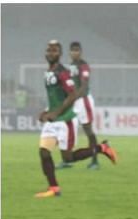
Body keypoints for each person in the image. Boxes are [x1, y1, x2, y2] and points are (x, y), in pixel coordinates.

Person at [36, 40, 116, 198]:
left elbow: (72, 94)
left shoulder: (63, 72)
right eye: (48, 50)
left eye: (54, 51)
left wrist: (56, 113)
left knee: (68, 158)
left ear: (59, 54)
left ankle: (102, 148)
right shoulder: (49, 72)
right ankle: (54, 188)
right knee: (44, 152)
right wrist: (46, 112)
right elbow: (55, 97)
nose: (50, 53)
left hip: (65, 120)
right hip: (53, 120)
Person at [61, 41, 100, 170]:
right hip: (74, 100)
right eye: (72, 50)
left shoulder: (84, 66)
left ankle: (95, 160)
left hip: (84, 101)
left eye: (77, 50)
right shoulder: (71, 66)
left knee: (88, 130)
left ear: (80, 52)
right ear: (69, 52)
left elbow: (83, 86)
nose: (75, 52)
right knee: (66, 129)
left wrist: (72, 99)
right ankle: (67, 160)